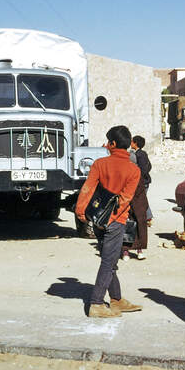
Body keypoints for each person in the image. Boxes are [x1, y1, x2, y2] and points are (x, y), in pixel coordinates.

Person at [75, 125, 142, 318]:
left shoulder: (99, 164)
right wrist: (112, 219)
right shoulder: (133, 170)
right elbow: (124, 199)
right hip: (116, 221)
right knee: (108, 260)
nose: (105, 144)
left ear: (113, 144)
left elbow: (87, 188)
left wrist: (81, 211)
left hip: (97, 220)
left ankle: (116, 299)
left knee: (109, 259)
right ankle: (96, 303)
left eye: (107, 141)